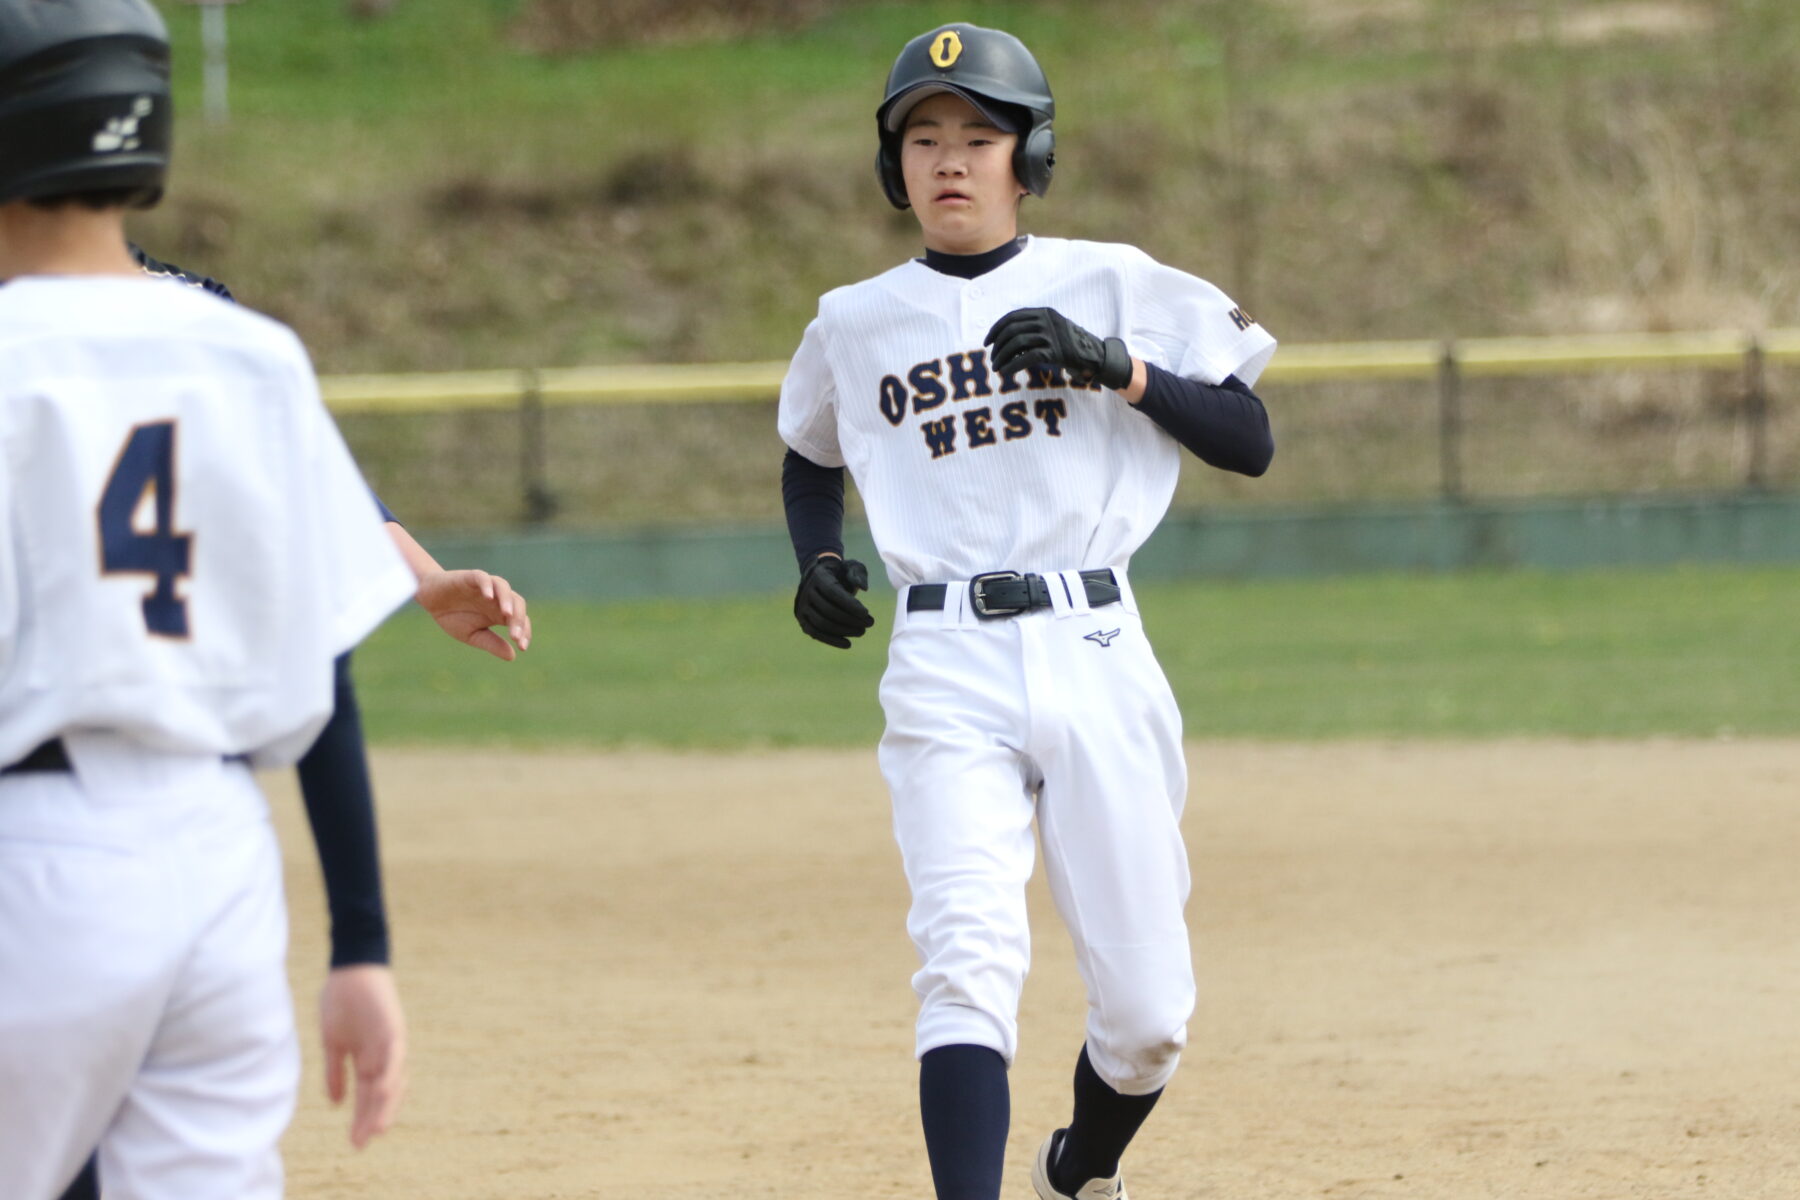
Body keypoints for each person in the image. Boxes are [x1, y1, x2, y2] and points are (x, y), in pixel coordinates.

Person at [777, 23, 1277, 1200]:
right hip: (943, 654)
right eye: (924, 138)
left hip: (1095, 641)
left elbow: (1250, 440)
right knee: (967, 963)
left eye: (980, 136)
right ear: (893, 165)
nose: (950, 159)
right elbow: (809, 453)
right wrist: (816, 556)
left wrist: (1118, 365)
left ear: (1027, 158)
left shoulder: (1109, 279)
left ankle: (1080, 1166)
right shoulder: (854, 319)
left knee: (1150, 1016)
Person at [0, 2, 419, 1196]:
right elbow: (324, 655)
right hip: (221, 868)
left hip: (32, 855)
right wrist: (363, 944)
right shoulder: (250, 351)